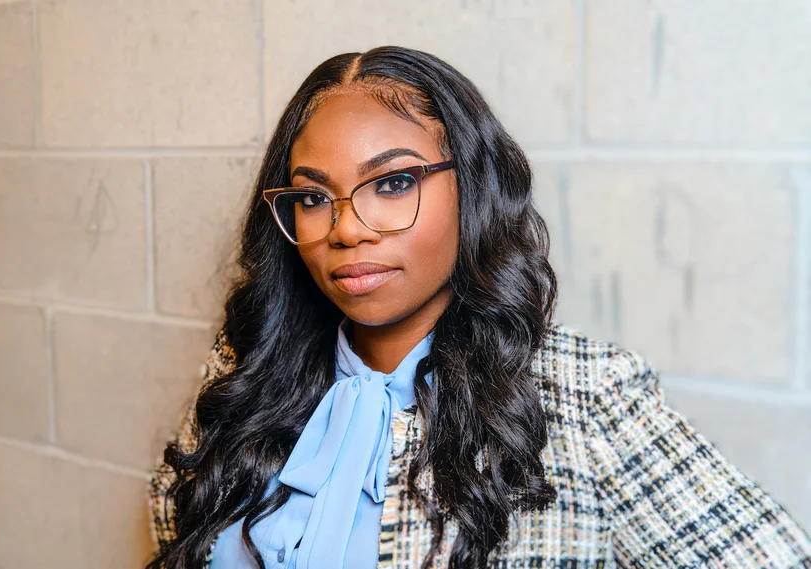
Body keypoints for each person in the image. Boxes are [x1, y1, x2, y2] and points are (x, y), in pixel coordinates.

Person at [145, 46, 811, 569]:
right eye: (314, 197)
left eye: (394, 182)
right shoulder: (246, 373)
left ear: (474, 188)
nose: (346, 228)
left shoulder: (584, 394)